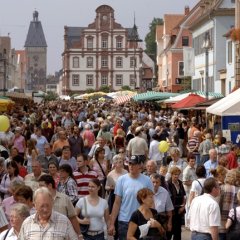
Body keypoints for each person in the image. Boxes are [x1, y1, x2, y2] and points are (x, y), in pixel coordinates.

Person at [108, 155, 153, 240]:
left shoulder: (147, 180)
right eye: (130, 164)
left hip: (141, 221)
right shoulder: (121, 180)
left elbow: (151, 202)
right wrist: (112, 224)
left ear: (140, 165)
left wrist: (151, 219)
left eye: (134, 164)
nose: (131, 166)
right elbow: (117, 203)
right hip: (124, 221)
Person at [167, 166, 186, 240]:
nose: (176, 176)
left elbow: (184, 196)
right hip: (171, 210)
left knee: (178, 231)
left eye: (178, 174)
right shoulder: (168, 184)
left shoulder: (180, 183)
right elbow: (167, 198)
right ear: (171, 174)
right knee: (170, 231)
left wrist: (183, 207)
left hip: (179, 210)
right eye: (175, 174)